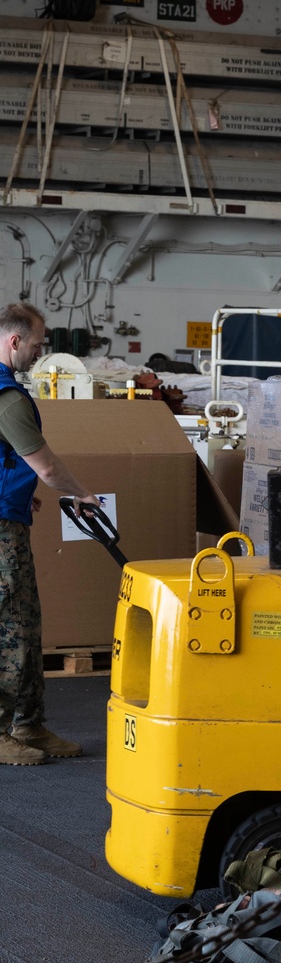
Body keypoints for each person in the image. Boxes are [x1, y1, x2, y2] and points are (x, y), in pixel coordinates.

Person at [0, 303, 103, 765]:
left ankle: (28, 724)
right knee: (9, 629)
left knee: (25, 624)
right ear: (14, 340)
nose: (40, 354)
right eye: (37, 345)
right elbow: (44, 463)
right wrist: (83, 493)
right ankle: (4, 730)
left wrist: (21, 494)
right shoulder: (7, 397)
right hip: (2, 527)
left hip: (9, 515)